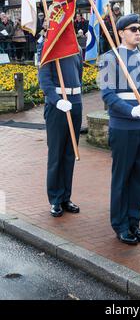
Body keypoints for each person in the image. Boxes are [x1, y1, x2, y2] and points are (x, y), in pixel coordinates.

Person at [100, 14, 140, 245]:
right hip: (124, 125)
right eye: (133, 29)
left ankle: (134, 222)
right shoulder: (110, 58)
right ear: (121, 32)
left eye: (139, 29)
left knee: (139, 178)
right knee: (122, 177)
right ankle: (121, 224)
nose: (137, 33)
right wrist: (130, 111)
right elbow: (108, 94)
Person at [38, 48, 83, 217]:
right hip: (58, 105)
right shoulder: (50, 48)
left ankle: (65, 197)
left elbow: (79, 73)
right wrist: (57, 101)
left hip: (75, 102)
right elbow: (45, 80)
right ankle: (55, 199)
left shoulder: (75, 49)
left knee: (70, 154)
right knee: (56, 154)